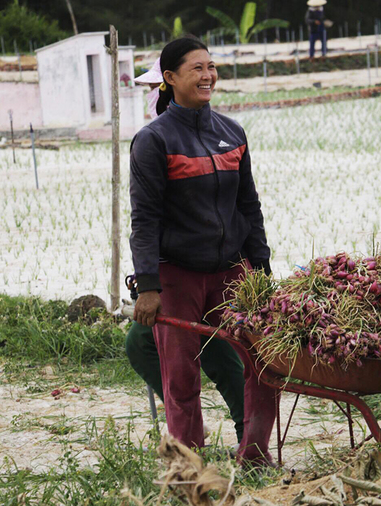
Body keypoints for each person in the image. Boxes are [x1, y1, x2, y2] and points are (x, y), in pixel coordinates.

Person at [129, 36, 277, 466]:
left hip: (234, 270)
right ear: (171, 78)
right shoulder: (153, 141)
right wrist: (149, 285)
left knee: (262, 362)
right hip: (177, 274)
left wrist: (261, 266)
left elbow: (248, 205)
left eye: (210, 66)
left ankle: (254, 451)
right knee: (180, 375)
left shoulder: (232, 133)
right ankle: (190, 463)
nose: (208, 75)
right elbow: (145, 220)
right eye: (197, 68)